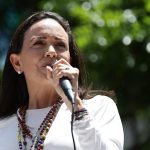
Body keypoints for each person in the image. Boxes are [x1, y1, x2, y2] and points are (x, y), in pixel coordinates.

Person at [0, 11, 124, 150]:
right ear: (17, 62)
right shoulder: (3, 126)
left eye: (60, 45)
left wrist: (75, 105)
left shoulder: (98, 108)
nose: (51, 51)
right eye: (39, 43)